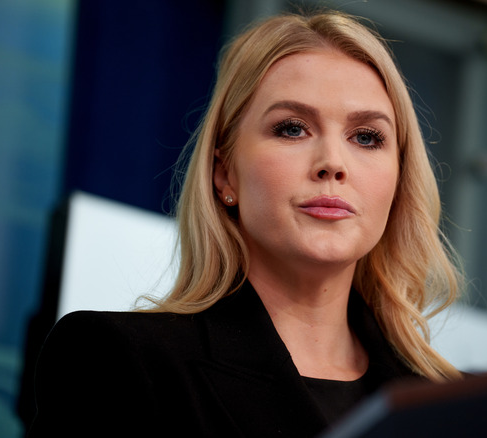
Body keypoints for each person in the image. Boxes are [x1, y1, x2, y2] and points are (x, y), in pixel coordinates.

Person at [28, 10, 463, 438]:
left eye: (366, 137)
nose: (333, 163)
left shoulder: (452, 407)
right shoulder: (114, 360)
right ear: (224, 174)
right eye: (292, 129)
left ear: (398, 179)